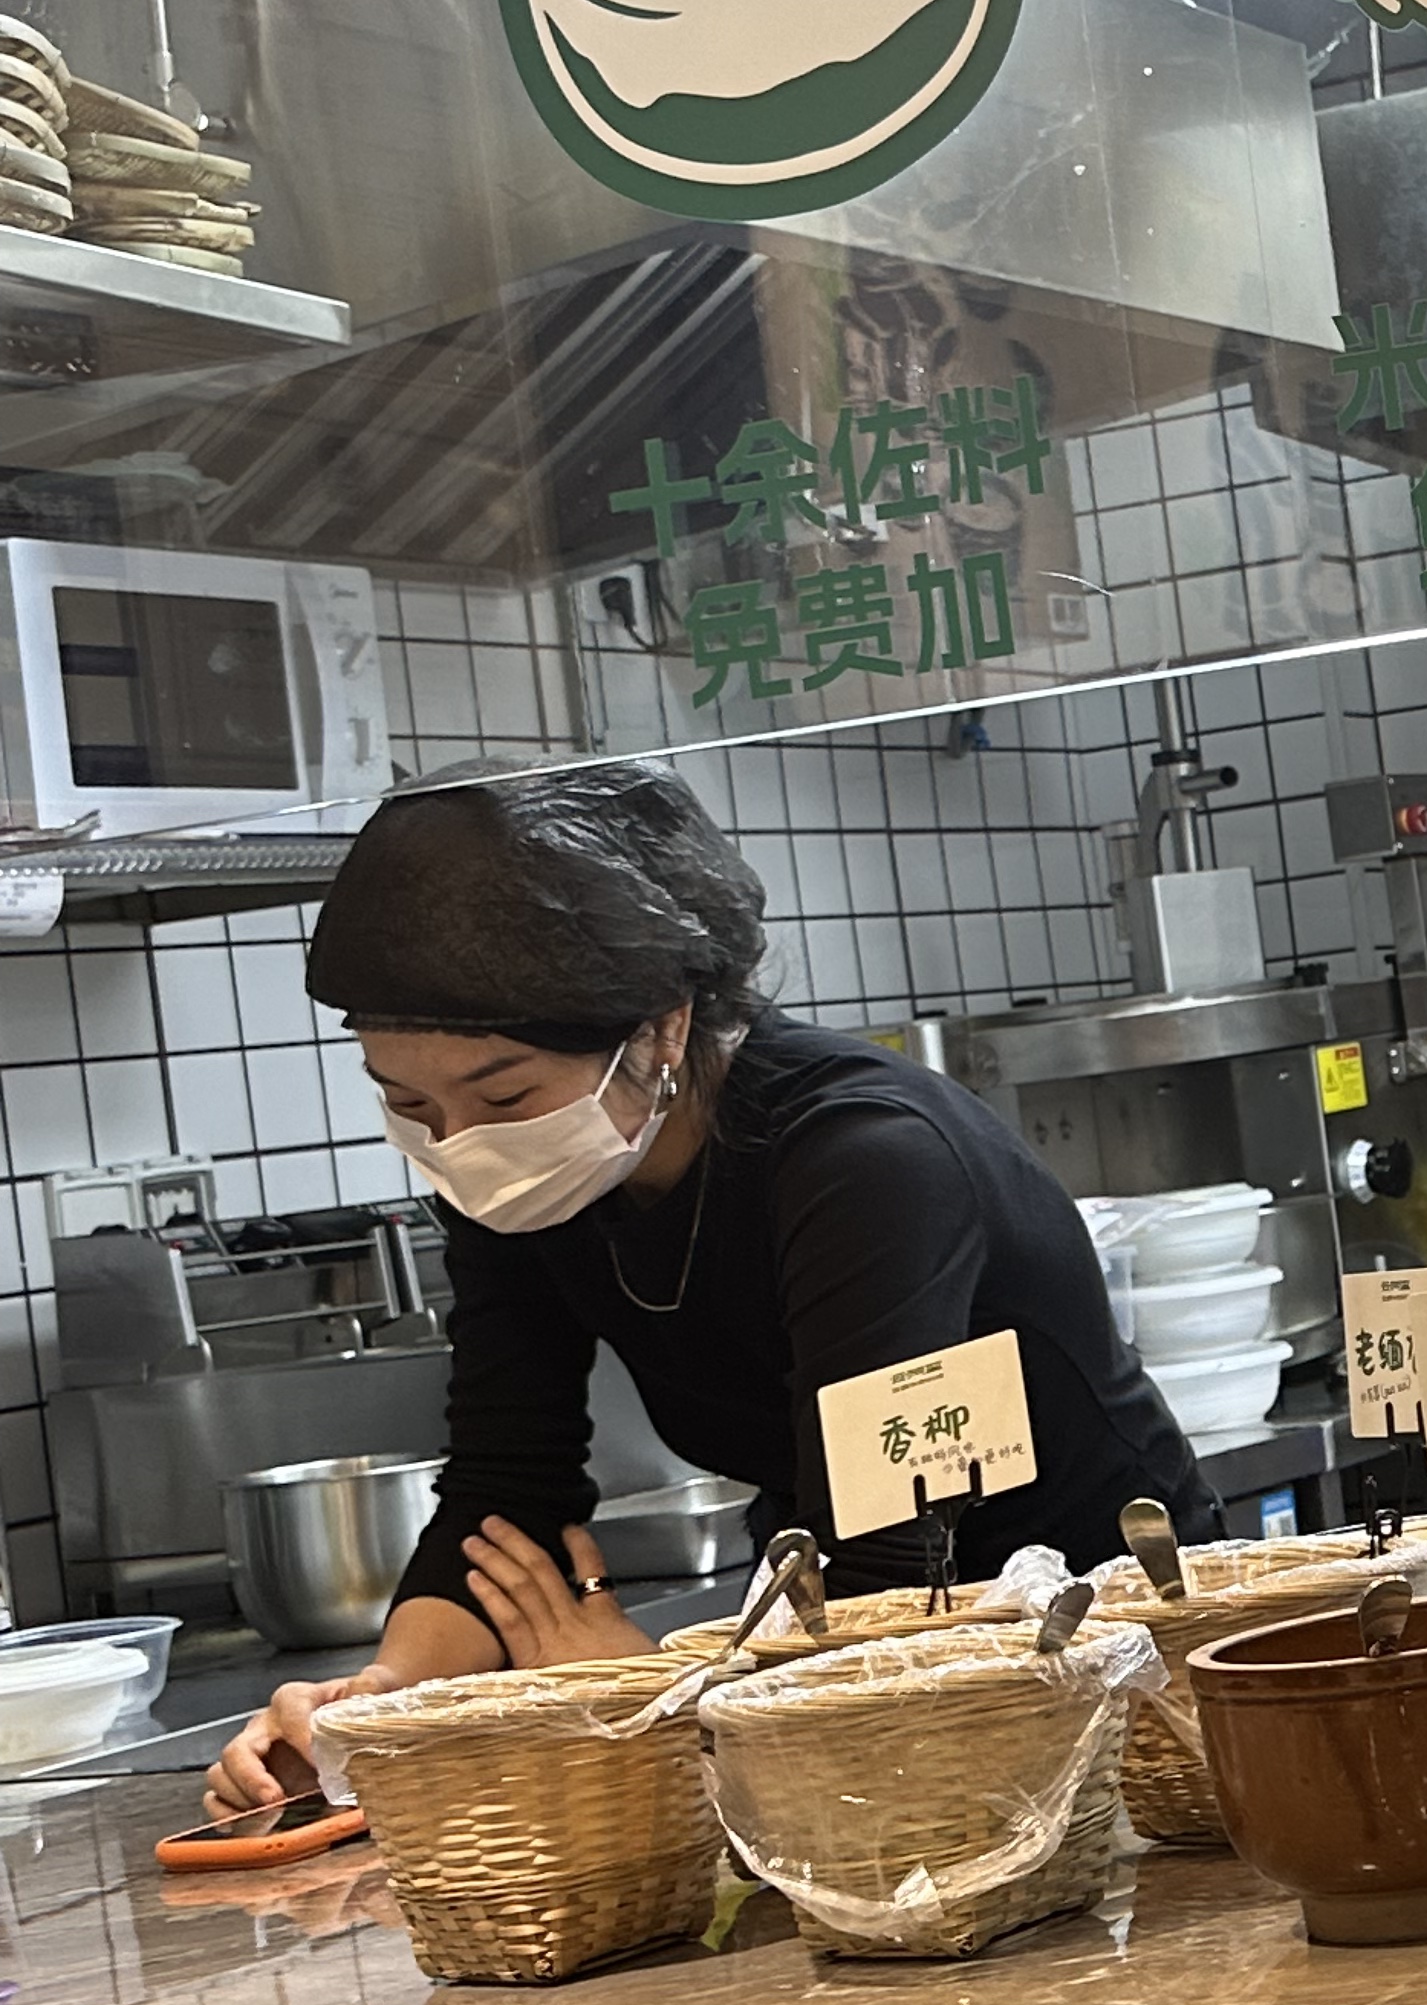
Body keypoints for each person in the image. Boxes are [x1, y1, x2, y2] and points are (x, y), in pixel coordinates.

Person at [207, 764, 1218, 1812]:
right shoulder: (516, 1180)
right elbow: (506, 1490)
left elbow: (882, 1557)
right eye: (409, 1104)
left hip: (1112, 1630)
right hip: (853, 1647)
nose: (459, 1144)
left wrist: (650, 1689)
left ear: (662, 1029)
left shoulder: (865, 1162)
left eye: (504, 1096)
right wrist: (373, 1709)